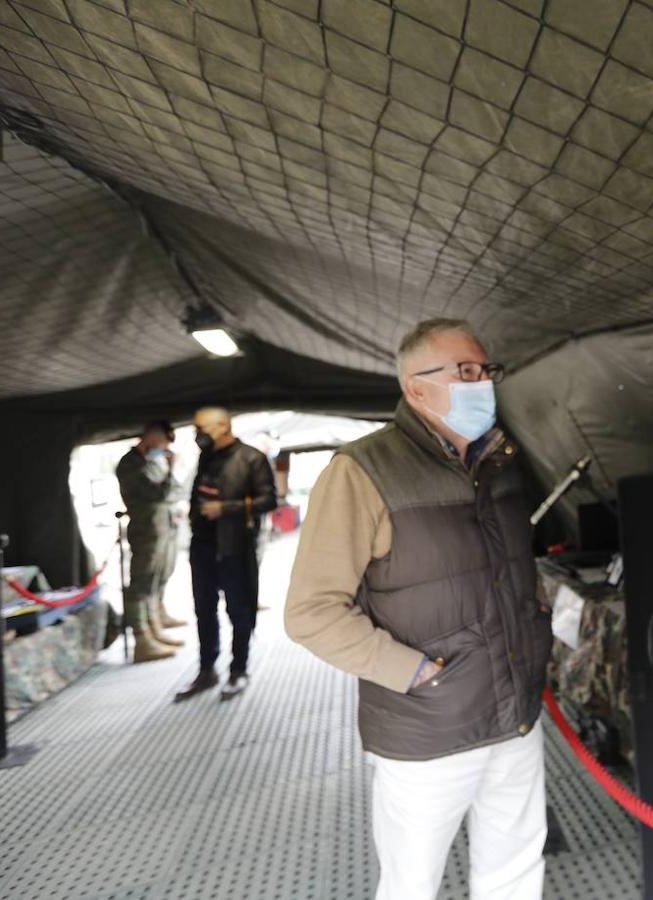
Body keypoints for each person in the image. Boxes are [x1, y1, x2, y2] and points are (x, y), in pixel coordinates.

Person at [285, 319, 552, 900]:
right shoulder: (362, 471)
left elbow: (515, 573)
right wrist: (415, 674)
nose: (482, 383)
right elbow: (311, 611)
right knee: (412, 886)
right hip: (428, 730)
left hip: (515, 716)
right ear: (415, 388)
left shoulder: (501, 461)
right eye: (464, 373)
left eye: (485, 371)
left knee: (515, 868)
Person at [175, 407, 277, 702]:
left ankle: (239, 669)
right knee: (203, 610)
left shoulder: (251, 458)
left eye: (202, 427)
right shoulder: (206, 457)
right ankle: (207, 669)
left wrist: (226, 508)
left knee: (239, 609)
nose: (198, 434)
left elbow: (269, 499)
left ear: (222, 426)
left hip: (234, 546)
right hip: (202, 545)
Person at [115, 420, 186, 662]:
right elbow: (159, 493)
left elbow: (176, 492)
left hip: (163, 529)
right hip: (146, 532)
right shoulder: (130, 464)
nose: (165, 447)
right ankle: (142, 639)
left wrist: (168, 479)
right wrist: (171, 470)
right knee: (141, 584)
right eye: (164, 441)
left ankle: (154, 629)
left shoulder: (153, 462)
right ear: (152, 435)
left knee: (157, 579)